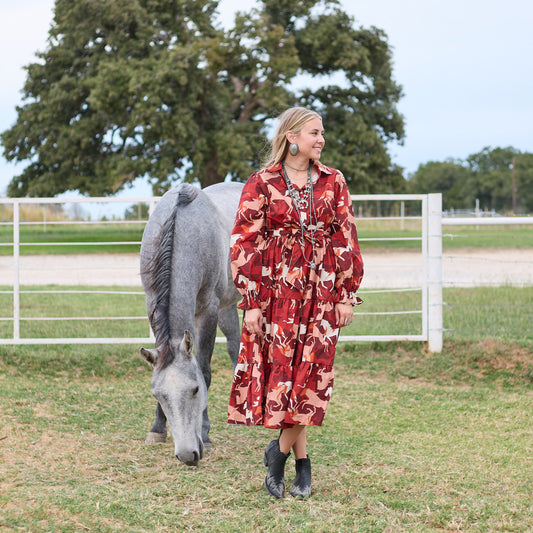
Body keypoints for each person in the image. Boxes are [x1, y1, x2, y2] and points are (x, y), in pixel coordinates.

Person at [228, 106, 364, 499]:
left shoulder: (333, 181)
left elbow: (346, 238)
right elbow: (243, 241)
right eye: (314, 133)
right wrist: (251, 301)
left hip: (321, 292)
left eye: (322, 134)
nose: (321, 139)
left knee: (311, 374)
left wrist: (346, 293)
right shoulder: (261, 182)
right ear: (292, 137)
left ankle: (279, 454)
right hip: (276, 293)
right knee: (285, 375)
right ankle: (301, 462)